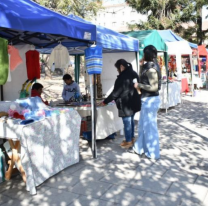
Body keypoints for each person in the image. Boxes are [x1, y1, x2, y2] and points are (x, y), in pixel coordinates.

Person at [129, 45, 161, 159]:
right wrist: (142, 67)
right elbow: (142, 78)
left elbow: (154, 87)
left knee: (150, 127)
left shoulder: (151, 69)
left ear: (146, 54)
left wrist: (139, 85)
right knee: (143, 125)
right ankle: (139, 148)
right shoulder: (151, 65)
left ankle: (153, 153)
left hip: (150, 100)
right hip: (148, 100)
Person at [100, 59, 141, 148]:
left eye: (118, 68)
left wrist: (105, 101)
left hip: (125, 103)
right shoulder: (134, 73)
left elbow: (116, 93)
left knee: (127, 122)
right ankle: (131, 138)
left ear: (122, 66)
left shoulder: (122, 77)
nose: (118, 70)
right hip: (134, 102)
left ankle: (128, 141)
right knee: (131, 121)